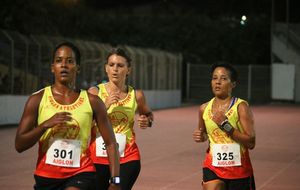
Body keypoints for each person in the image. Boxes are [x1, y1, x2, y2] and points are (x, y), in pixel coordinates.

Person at [15, 42, 120, 190]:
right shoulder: (37, 100)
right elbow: (19, 145)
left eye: (69, 61)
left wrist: (115, 180)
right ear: (52, 67)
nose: (64, 65)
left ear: (77, 68)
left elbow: (111, 143)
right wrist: (45, 125)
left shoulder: (93, 102)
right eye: (59, 61)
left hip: (81, 173)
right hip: (46, 176)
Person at [88, 47, 154, 190]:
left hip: (127, 157)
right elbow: (85, 124)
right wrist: (104, 106)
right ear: (106, 68)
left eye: (120, 65)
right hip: (98, 157)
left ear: (128, 70)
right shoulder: (94, 93)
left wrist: (146, 121)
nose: (115, 69)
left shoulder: (136, 95)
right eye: (111, 65)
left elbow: (148, 114)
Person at [192, 62, 256, 190]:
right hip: (213, 167)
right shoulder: (204, 108)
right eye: (214, 78)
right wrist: (201, 136)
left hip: (239, 170)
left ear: (233, 84)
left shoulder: (241, 107)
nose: (218, 82)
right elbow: (204, 133)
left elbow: (251, 142)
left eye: (224, 78)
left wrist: (227, 126)